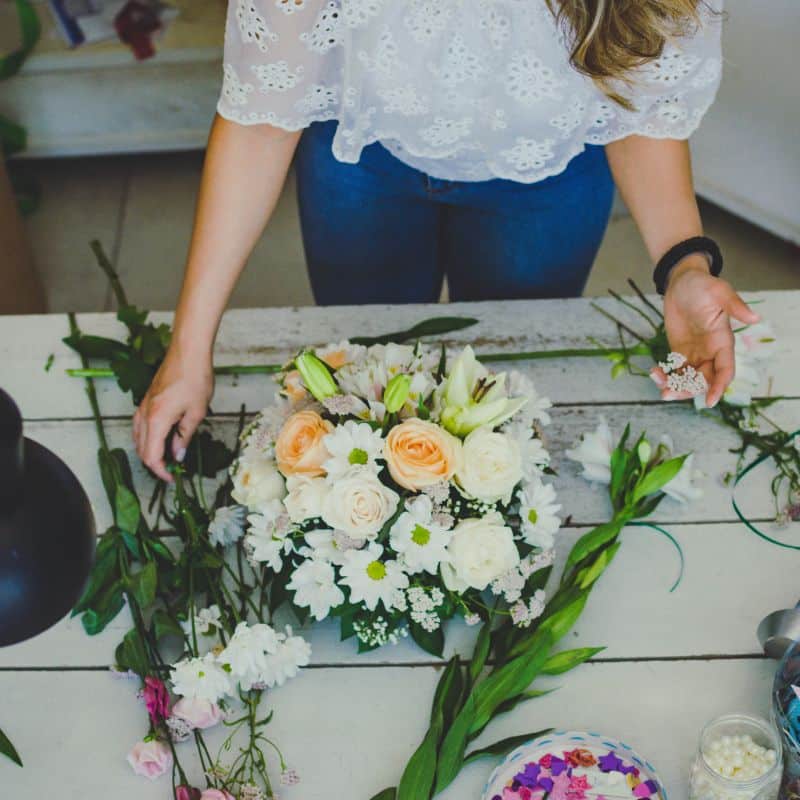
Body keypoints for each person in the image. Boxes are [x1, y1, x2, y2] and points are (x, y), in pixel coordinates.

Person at [134, 0, 759, 481]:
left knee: (500, 402)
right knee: (365, 389)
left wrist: (684, 265)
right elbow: (262, 119)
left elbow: (641, 108)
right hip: (360, 159)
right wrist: (188, 349)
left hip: (547, 173)